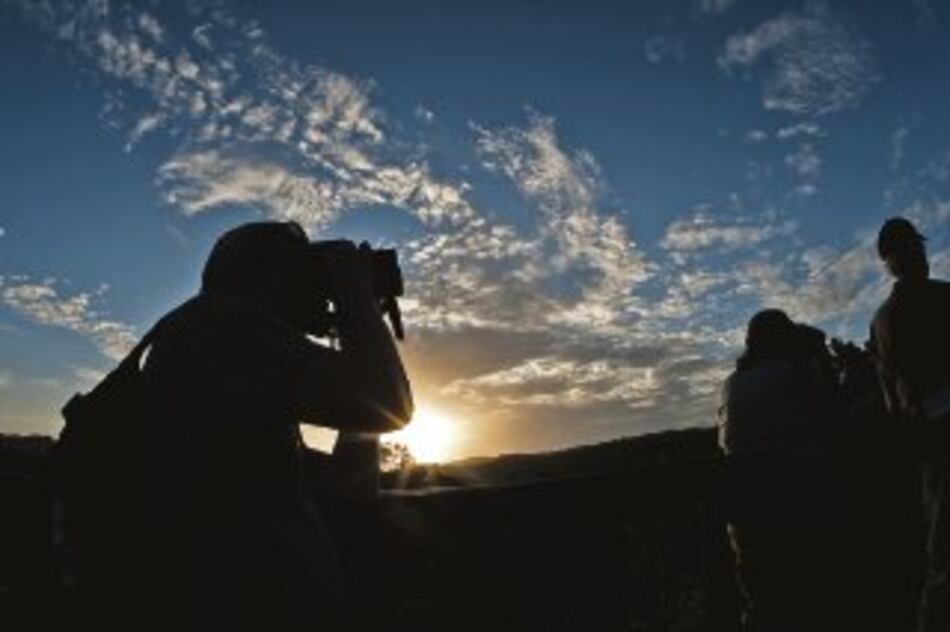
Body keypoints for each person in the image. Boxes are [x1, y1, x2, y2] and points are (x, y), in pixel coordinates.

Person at [105, 221, 412, 629]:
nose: (315, 285)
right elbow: (389, 403)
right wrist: (356, 297)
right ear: (256, 270)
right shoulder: (218, 321)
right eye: (300, 268)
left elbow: (347, 489)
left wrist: (353, 330)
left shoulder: (231, 350)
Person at [718, 309, 841, 632]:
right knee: (817, 596)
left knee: (765, 605)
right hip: (801, 493)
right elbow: (832, 417)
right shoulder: (798, 371)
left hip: (746, 507)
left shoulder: (731, 384)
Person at [870, 216, 950, 632]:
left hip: (927, 444)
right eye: (915, 248)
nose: (922, 254)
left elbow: (890, 400)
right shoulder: (942, 297)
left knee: (941, 555)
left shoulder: (882, 318)